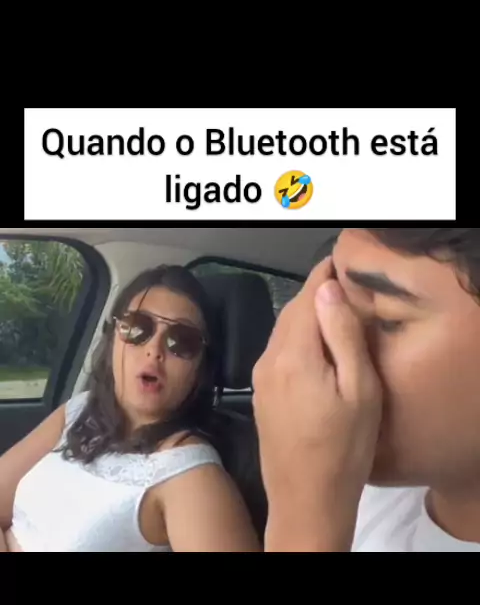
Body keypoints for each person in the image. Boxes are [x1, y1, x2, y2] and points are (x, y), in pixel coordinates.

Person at [0, 266, 260, 552]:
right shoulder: (79, 411)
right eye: (137, 328)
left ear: (200, 368)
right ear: (113, 338)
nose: (154, 350)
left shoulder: (189, 474)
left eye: (182, 341)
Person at [254, 228, 480, 552]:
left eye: (387, 320)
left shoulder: (330, 502)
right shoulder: (356, 493)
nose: (322, 352)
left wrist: (303, 528)